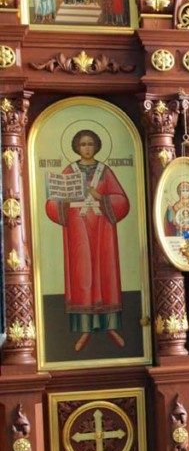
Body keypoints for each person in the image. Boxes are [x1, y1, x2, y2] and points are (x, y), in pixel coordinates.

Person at [44, 129, 130, 352]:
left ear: (97, 146)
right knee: (82, 273)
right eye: (83, 144)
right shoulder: (69, 170)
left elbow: (122, 201)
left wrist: (99, 196)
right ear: (76, 147)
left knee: (104, 272)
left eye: (90, 144)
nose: (87, 148)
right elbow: (52, 203)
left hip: (103, 229)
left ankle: (109, 326)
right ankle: (85, 328)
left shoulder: (105, 171)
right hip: (78, 230)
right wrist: (63, 200)